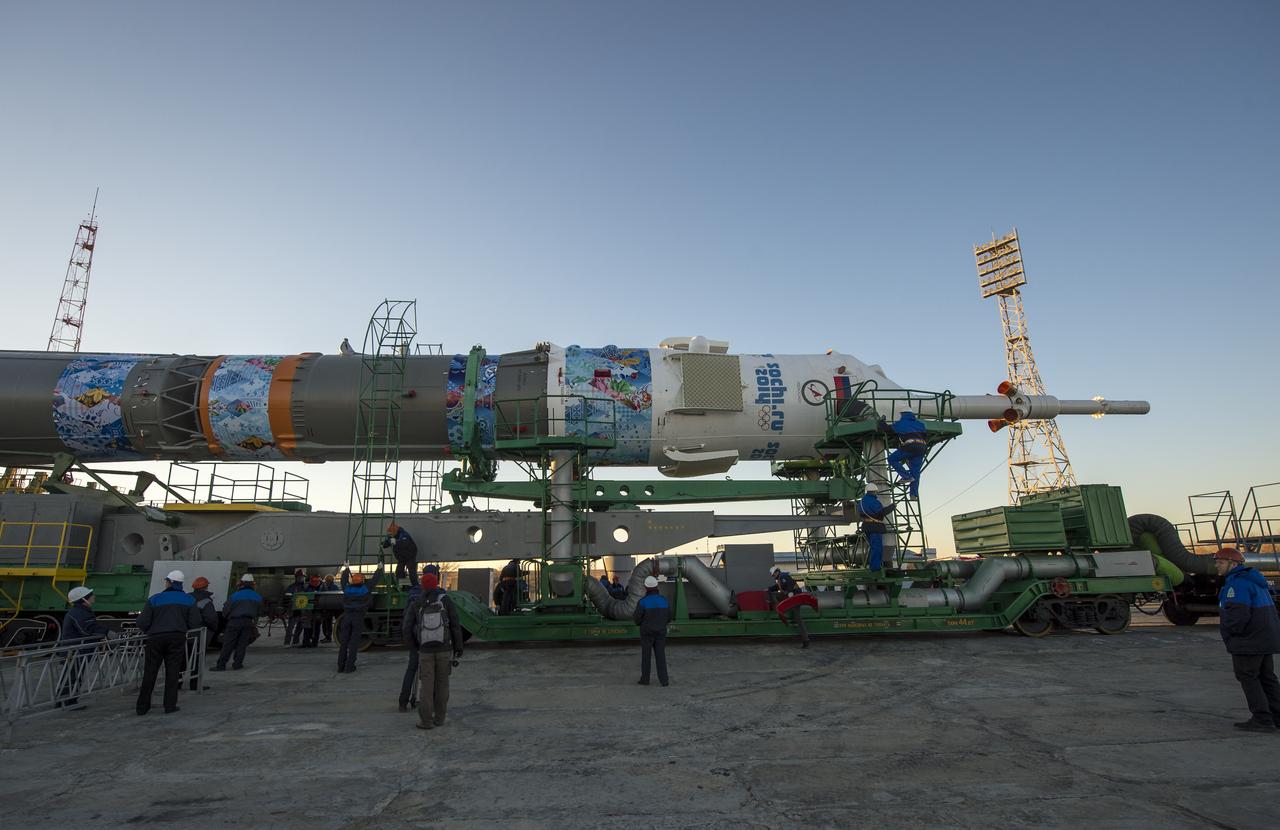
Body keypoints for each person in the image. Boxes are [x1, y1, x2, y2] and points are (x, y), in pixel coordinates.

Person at [1214, 547, 1280, 732]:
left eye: (1220, 562)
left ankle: (1262, 719)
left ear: (1233, 564)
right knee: (1267, 678)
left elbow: (1237, 617)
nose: (1217, 566)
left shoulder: (1237, 585)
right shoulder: (1255, 582)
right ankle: (1277, 717)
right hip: (1265, 638)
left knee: (1248, 677)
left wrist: (1230, 636)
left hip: (1249, 640)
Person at [136, 570, 202, 715]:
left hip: (155, 638)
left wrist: (151, 629)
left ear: (169, 582)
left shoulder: (155, 599)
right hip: (177, 638)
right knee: (173, 673)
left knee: (150, 672)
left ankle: (142, 707)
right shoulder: (189, 600)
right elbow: (195, 623)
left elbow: (142, 622)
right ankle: (169, 705)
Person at [403, 571, 464, 729]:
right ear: (436, 584)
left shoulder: (416, 603)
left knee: (427, 686)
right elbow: (456, 625)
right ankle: (440, 718)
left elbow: (406, 627)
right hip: (444, 649)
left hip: (425, 651)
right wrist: (458, 647)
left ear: (423, 586)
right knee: (443, 684)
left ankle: (426, 721)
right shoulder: (446, 600)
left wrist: (414, 647)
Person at [59, 586, 116, 707]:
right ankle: (68, 702)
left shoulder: (80, 611)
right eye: (91, 595)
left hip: (75, 650)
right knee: (73, 676)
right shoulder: (80, 613)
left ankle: (65, 701)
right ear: (84, 599)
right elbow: (87, 629)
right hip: (75, 651)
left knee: (72, 675)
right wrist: (106, 632)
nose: (93, 596)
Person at [399, 564, 439, 712]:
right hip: (434, 640)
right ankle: (432, 703)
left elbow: (407, 620)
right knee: (432, 673)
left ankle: (403, 702)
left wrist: (411, 643)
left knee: (411, 670)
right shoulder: (441, 594)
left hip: (417, 638)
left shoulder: (413, 594)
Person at [337, 563, 385, 673]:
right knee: (354, 643)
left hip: (347, 616)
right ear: (362, 581)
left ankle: (340, 666)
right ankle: (349, 667)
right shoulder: (365, 589)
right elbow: (374, 581)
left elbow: (343, 581)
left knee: (344, 643)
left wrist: (346, 569)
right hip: (358, 617)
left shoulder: (347, 589)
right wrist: (379, 569)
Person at [214, 574, 263, 671]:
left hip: (234, 622)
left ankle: (221, 665)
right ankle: (237, 664)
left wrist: (228, 618)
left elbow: (225, 611)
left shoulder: (235, 596)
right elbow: (260, 612)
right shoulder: (258, 597)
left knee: (228, 644)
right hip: (248, 622)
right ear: (253, 584)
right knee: (242, 644)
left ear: (241, 583)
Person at [883, 406, 928, 498]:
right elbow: (925, 435)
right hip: (922, 447)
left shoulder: (901, 423)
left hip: (910, 446)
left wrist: (881, 422)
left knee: (892, 459)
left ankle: (906, 476)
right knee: (915, 471)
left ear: (902, 414)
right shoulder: (920, 424)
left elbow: (887, 429)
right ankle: (914, 494)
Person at [633, 575, 670, 686]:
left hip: (646, 633)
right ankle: (664, 681)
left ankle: (645, 679)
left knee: (646, 656)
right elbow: (669, 617)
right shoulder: (664, 600)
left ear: (646, 587)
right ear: (656, 586)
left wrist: (642, 625)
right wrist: (661, 625)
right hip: (660, 632)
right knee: (660, 656)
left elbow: (637, 618)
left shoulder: (643, 602)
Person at [188, 576, 219, 690]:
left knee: (181, 659)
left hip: (185, 633)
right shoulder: (206, 601)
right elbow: (211, 618)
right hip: (200, 634)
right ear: (206, 587)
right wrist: (214, 629)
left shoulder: (187, 598)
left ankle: (177, 683)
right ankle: (195, 684)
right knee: (198, 659)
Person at [768, 566, 810, 649]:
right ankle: (779, 608)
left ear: (777, 572)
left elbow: (790, 588)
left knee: (798, 619)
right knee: (774, 595)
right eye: (773, 576)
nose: (774, 576)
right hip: (791, 598)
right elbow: (778, 587)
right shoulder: (780, 579)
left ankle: (806, 640)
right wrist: (769, 589)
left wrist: (789, 595)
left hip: (795, 599)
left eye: (774, 575)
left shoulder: (784, 576)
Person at [858, 483, 894, 572]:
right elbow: (881, 513)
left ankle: (875, 565)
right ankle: (875, 568)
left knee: (873, 547)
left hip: (867, 526)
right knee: (877, 547)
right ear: (874, 491)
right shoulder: (874, 501)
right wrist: (892, 507)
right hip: (874, 526)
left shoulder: (862, 501)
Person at [283, 569, 308, 647]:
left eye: (303, 577)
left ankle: (295, 641)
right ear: (296, 577)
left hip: (301, 610)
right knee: (290, 627)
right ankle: (287, 643)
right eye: (300, 577)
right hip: (293, 610)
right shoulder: (291, 587)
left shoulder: (305, 587)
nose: (302, 578)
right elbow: (287, 598)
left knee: (300, 626)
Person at [299, 575, 323, 648]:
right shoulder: (308, 587)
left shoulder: (321, 587)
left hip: (318, 609)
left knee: (316, 626)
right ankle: (306, 642)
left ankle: (313, 643)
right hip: (308, 609)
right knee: (307, 626)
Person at [320, 573, 340, 643]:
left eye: (328, 581)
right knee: (327, 623)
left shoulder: (329, 587)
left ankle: (328, 637)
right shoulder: (333, 587)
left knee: (327, 623)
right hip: (331, 608)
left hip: (331, 608)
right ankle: (329, 637)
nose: (327, 582)